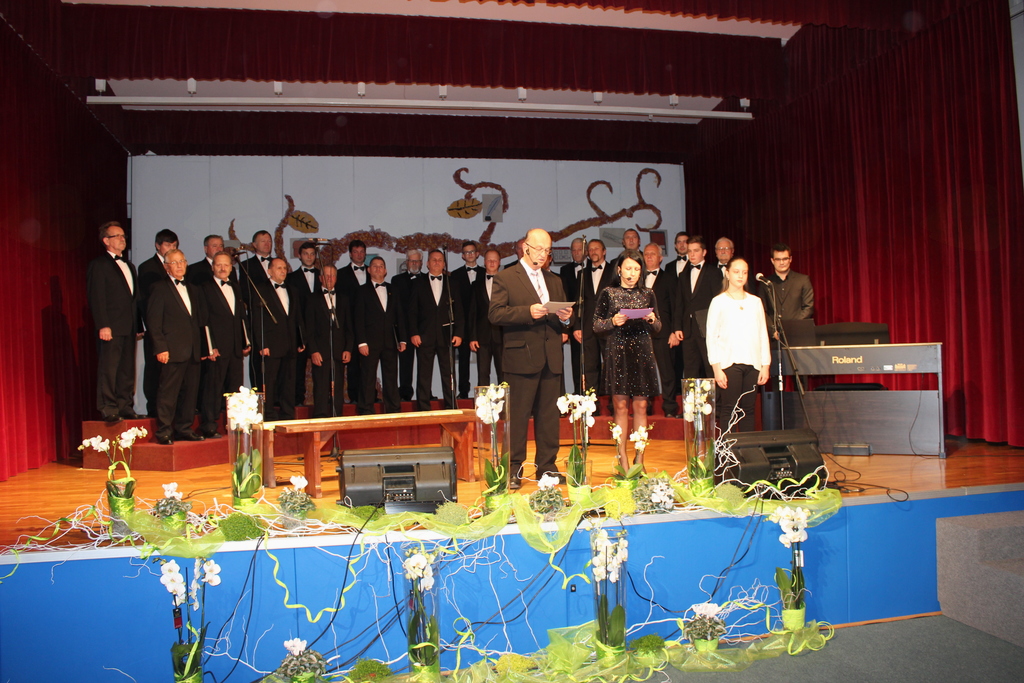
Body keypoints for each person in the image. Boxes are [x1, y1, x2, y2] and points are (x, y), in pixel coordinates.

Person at [489, 229, 574, 489]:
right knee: (517, 417)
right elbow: (495, 314)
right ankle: (513, 470)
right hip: (520, 357)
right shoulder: (505, 277)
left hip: (551, 357)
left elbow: (564, 319)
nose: (543, 254)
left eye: (547, 250)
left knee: (548, 418)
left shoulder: (554, 280)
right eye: (539, 249)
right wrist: (527, 312)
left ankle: (547, 468)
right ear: (526, 247)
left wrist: (566, 319)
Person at [593, 249, 661, 470]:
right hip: (618, 352)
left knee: (641, 406)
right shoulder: (609, 293)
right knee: (620, 406)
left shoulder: (648, 293)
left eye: (636, 269)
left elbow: (658, 327)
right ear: (619, 269)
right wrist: (613, 321)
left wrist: (652, 319)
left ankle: (639, 459)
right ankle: (621, 457)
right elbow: (596, 325)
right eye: (628, 268)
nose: (632, 273)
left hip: (642, 351)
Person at [146, 249, 208, 444]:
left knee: (190, 393)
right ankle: (164, 431)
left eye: (182, 261)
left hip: (193, 350)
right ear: (166, 267)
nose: (180, 265)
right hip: (172, 350)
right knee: (168, 392)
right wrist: (160, 348)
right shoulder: (159, 288)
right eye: (175, 262)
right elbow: (153, 322)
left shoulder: (193, 289)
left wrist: (204, 348)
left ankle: (184, 428)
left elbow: (199, 321)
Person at [706, 258, 771, 432]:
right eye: (736, 272)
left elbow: (762, 334)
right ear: (727, 273)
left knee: (748, 410)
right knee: (729, 408)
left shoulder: (755, 302)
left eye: (744, 272)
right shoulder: (719, 301)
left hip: (753, 363)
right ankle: (727, 448)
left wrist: (765, 365)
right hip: (729, 363)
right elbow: (711, 337)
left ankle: (747, 449)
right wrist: (716, 368)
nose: (740, 276)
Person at [86, 221, 142, 423]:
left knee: (127, 369)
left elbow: (135, 299)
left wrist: (138, 325)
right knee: (109, 369)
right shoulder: (99, 265)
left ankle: (124, 405)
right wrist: (103, 324)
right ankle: (108, 407)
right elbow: (97, 297)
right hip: (111, 326)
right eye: (117, 236)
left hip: (129, 326)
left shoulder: (130, 266)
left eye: (123, 236)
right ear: (106, 241)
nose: (122, 239)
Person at [197, 251, 250, 438]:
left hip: (235, 347)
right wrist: (209, 346)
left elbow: (241, 317)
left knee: (235, 388)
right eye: (218, 264)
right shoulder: (204, 288)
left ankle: (234, 424)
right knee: (213, 388)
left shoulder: (235, 287)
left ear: (231, 267)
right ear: (212, 267)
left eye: (226, 265)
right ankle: (209, 425)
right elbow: (203, 319)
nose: (222, 268)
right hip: (217, 348)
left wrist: (245, 340)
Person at [252, 258, 305, 421]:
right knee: (270, 381)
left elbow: (297, 317)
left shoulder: (293, 289)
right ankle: (268, 414)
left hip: (290, 343)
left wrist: (301, 340)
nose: (283, 271)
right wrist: (262, 344)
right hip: (271, 344)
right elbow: (257, 319)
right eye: (279, 268)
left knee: (289, 381)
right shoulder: (260, 289)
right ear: (269, 271)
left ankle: (287, 413)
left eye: (284, 268)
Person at [410, 249, 464, 410]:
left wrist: (459, 333)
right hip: (424, 335)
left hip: (447, 335)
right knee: (423, 374)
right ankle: (423, 407)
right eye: (433, 259)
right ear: (427, 263)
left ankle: (451, 406)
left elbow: (459, 311)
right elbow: (412, 311)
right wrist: (414, 333)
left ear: (444, 263)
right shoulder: (417, 283)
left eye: (440, 260)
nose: (436, 262)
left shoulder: (452, 283)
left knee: (449, 374)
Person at [354, 257, 408, 415]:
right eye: (374, 266)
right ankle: (365, 409)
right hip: (369, 342)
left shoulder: (393, 289)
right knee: (368, 377)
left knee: (391, 376)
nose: (378, 269)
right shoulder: (362, 291)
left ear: (385, 270)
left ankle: (393, 409)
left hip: (390, 341)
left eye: (381, 266)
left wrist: (402, 339)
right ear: (369, 270)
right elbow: (358, 318)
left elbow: (399, 315)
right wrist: (361, 342)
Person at [138, 228, 179, 418]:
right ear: (158, 246)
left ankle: (171, 409)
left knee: (172, 371)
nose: (171, 248)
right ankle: (153, 409)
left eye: (174, 245)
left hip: (174, 328)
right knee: (154, 370)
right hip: (156, 326)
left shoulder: (178, 267)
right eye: (168, 245)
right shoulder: (148, 267)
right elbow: (146, 299)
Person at [671, 235, 722, 380]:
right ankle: (691, 396)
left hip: (707, 327)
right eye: (690, 251)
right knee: (690, 369)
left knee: (710, 367)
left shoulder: (713, 272)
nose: (692, 254)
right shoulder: (683, 274)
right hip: (688, 329)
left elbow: (718, 301)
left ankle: (715, 396)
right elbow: (679, 303)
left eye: (696, 250)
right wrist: (677, 327)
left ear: (704, 252)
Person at [305, 265, 353, 418]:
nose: (330, 278)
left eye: (332, 275)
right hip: (320, 351)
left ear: (336, 279)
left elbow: (349, 327)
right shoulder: (312, 299)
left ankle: (336, 415)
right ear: (320, 278)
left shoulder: (344, 299)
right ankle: (320, 416)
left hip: (339, 350)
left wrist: (348, 349)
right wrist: (313, 350)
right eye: (326, 275)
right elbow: (309, 328)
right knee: (320, 386)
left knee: (338, 386)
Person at [574, 239, 617, 406]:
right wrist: (576, 326)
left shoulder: (614, 271)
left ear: (604, 251)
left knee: (611, 367)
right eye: (590, 249)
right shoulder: (582, 274)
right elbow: (578, 302)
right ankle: (592, 406)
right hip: (588, 327)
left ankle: (614, 405)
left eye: (596, 248)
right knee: (590, 368)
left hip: (609, 326)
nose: (593, 252)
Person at [642, 243, 680, 418]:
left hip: (663, 333)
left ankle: (670, 407)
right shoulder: (638, 279)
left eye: (653, 254)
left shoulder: (670, 278)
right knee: (643, 372)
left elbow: (676, 306)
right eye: (646, 254)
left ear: (660, 258)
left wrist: (674, 331)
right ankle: (644, 407)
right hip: (641, 333)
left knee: (667, 372)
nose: (649, 257)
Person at [286, 241, 321, 406]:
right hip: (299, 329)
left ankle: (324, 400)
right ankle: (297, 400)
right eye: (306, 254)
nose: (309, 257)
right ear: (299, 255)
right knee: (297, 367)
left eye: (312, 254)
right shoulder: (291, 278)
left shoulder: (323, 276)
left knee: (322, 368)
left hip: (319, 329)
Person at [758, 243, 815, 338]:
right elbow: (762, 310)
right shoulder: (765, 283)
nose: (782, 263)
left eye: (785, 259)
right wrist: (772, 329)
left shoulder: (803, 280)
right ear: (772, 260)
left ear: (790, 259)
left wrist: (792, 326)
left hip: (799, 332)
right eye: (778, 259)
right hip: (774, 336)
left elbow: (808, 307)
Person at [450, 241, 484, 398]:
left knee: (483, 360)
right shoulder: (455, 275)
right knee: (463, 359)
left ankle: (484, 392)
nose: (469, 254)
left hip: (481, 322)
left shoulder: (485, 273)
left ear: (477, 254)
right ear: (462, 256)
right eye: (466, 252)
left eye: (472, 252)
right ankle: (463, 391)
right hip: (462, 322)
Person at [337, 239, 368, 404]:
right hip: (349, 324)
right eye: (355, 252)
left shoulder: (372, 272)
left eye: (362, 252)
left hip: (370, 325)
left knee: (369, 364)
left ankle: (369, 395)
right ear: (350, 254)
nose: (359, 255)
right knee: (353, 363)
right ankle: (354, 396)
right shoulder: (341, 274)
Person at [391, 248, 423, 402]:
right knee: (405, 363)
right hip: (404, 328)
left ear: (422, 263)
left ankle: (425, 393)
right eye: (412, 261)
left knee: (425, 365)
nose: (414, 263)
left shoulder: (427, 279)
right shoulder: (396, 280)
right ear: (407, 262)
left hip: (423, 328)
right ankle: (405, 393)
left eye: (417, 261)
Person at [470, 249, 504, 386]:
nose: (492, 263)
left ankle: (505, 400)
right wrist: (473, 337)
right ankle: (482, 400)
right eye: (489, 260)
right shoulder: (476, 285)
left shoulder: (507, 284)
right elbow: (472, 313)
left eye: (495, 260)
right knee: (483, 373)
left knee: (503, 373)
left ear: (499, 262)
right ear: (484, 262)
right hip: (482, 336)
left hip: (502, 335)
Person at [559, 237, 587, 393]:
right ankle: (578, 393)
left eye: (579, 250)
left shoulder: (593, 268)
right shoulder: (565, 270)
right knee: (576, 361)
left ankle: (595, 396)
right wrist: (570, 325)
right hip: (572, 322)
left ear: (586, 251)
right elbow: (564, 298)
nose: (576, 253)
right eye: (573, 250)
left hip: (591, 322)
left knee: (593, 363)